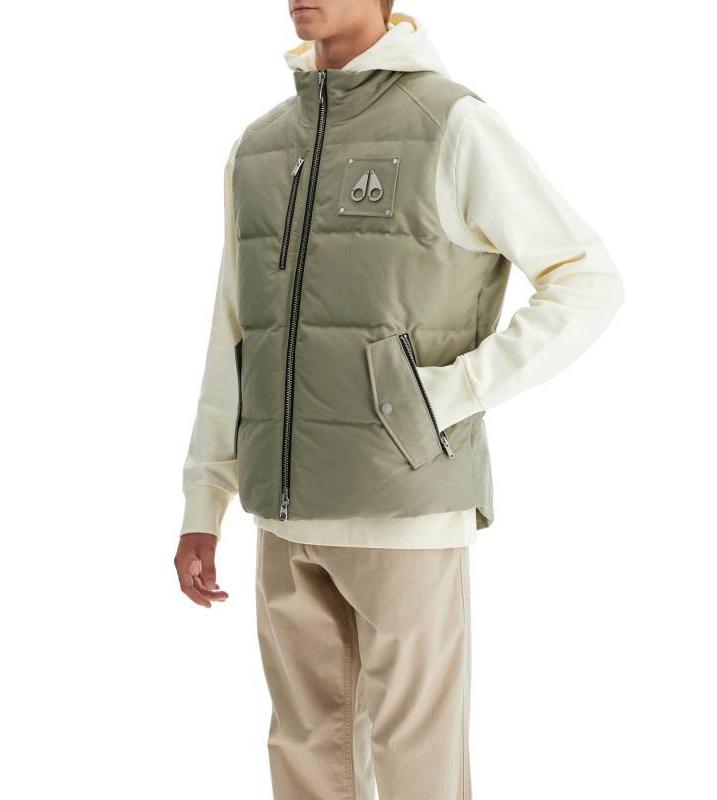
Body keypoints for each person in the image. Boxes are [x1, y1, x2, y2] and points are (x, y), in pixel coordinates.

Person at [174, 2, 624, 797]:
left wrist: (446, 394)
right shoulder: (260, 146)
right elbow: (235, 329)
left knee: (420, 764)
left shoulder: (450, 123)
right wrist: (204, 499)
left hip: (404, 508)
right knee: (304, 754)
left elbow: (586, 281)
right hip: (283, 515)